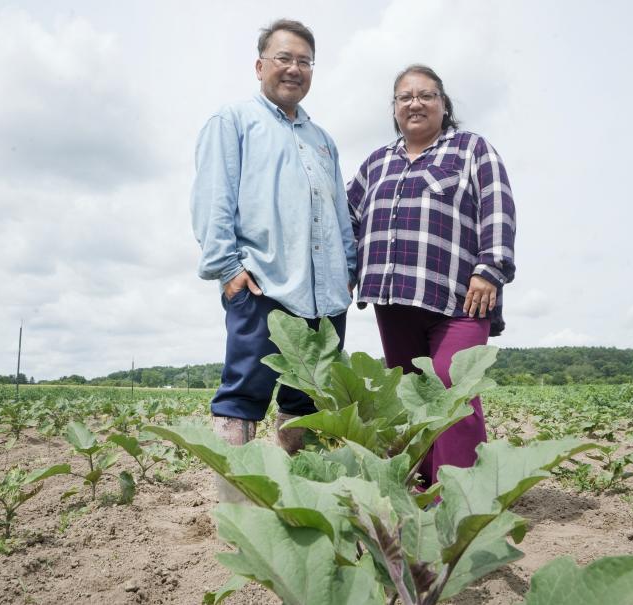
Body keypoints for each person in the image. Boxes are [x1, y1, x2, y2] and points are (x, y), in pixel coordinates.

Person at [190, 20, 356, 474]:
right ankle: (238, 501)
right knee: (244, 392)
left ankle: (299, 488)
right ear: (260, 64)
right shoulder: (234, 121)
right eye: (284, 58)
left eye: (304, 61)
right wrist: (227, 269)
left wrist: (349, 269)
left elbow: (339, 209)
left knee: (307, 395)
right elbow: (213, 199)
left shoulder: (322, 139)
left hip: (326, 293)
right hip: (264, 284)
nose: (294, 68)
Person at [347, 64, 516, 486]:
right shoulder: (375, 163)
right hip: (395, 296)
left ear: (444, 105)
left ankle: (461, 490)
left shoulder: (471, 149)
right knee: (410, 393)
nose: (415, 103)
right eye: (405, 97)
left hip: (461, 297)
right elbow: (346, 219)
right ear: (395, 109)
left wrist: (490, 269)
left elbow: (498, 206)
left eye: (426, 95)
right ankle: (421, 483)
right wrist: (347, 270)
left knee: (451, 385)